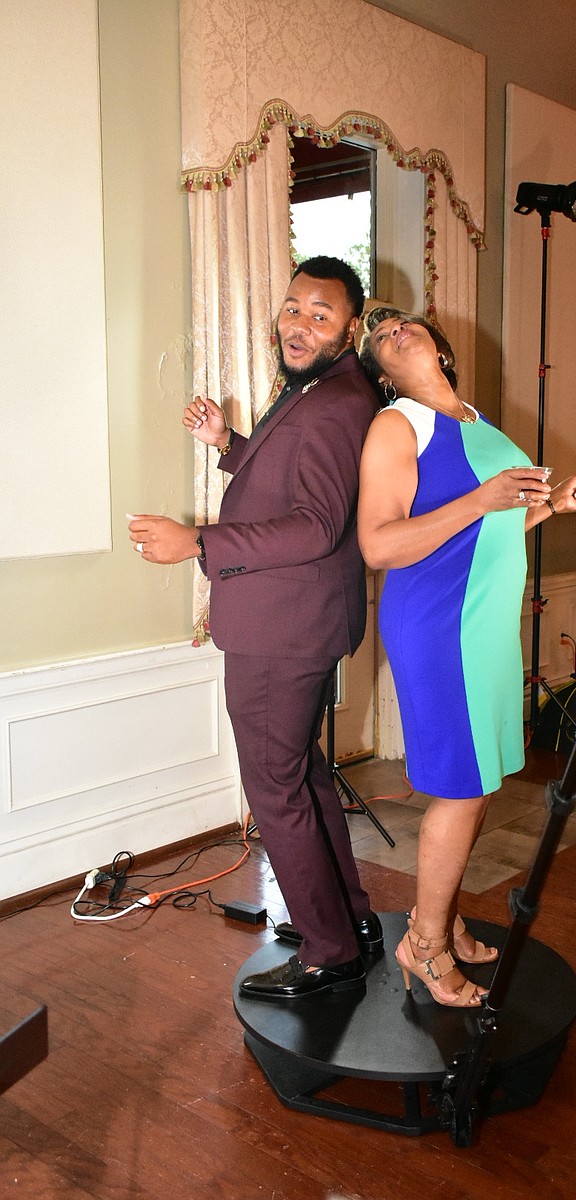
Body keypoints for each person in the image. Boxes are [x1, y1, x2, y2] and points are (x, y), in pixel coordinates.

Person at [128, 256, 383, 1001]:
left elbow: (315, 525)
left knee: (274, 788)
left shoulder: (337, 401)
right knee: (300, 775)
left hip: (284, 628)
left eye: (321, 314)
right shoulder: (321, 390)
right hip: (293, 620)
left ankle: (329, 950)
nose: (299, 324)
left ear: (351, 328)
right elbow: (290, 475)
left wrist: (198, 541)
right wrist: (230, 444)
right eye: (293, 307)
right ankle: (349, 921)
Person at [357, 307, 576, 1007]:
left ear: (440, 344)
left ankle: (445, 916)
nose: (393, 330)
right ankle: (424, 948)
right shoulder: (396, 426)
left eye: (402, 322)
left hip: (486, 625)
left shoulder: (478, 421)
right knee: (460, 788)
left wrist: (550, 506)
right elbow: (379, 546)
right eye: (379, 337)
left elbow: (491, 526)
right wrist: (481, 497)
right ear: (379, 370)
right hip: (441, 625)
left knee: (478, 782)